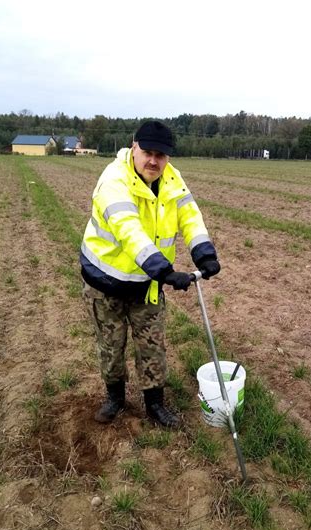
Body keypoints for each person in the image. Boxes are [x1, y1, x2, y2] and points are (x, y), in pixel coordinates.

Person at [80, 120, 220, 428]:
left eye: (162, 155)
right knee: (111, 346)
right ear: (134, 148)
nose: (154, 161)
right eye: (148, 152)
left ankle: (155, 404)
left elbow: (189, 215)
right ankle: (115, 398)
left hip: (146, 285)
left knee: (152, 346)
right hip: (106, 282)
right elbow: (129, 231)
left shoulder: (172, 178)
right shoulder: (113, 181)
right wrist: (166, 272)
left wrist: (204, 253)